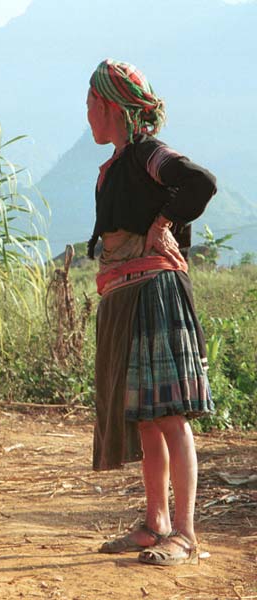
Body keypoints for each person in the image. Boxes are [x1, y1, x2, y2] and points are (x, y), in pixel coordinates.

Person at [86, 59, 217, 566]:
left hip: (157, 293)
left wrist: (164, 219)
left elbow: (200, 182)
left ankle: (183, 532)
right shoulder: (116, 166)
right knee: (145, 418)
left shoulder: (148, 154)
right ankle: (155, 522)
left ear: (114, 107)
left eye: (93, 104)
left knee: (169, 415)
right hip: (125, 297)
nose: (89, 114)